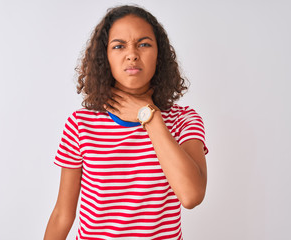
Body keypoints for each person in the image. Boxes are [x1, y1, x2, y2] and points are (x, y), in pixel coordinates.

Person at [44, 5, 208, 240]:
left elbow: (191, 196)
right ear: (105, 58)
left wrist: (149, 117)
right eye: (119, 46)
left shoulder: (184, 121)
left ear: (159, 55)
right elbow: (62, 214)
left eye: (144, 44)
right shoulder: (81, 125)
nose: (132, 54)